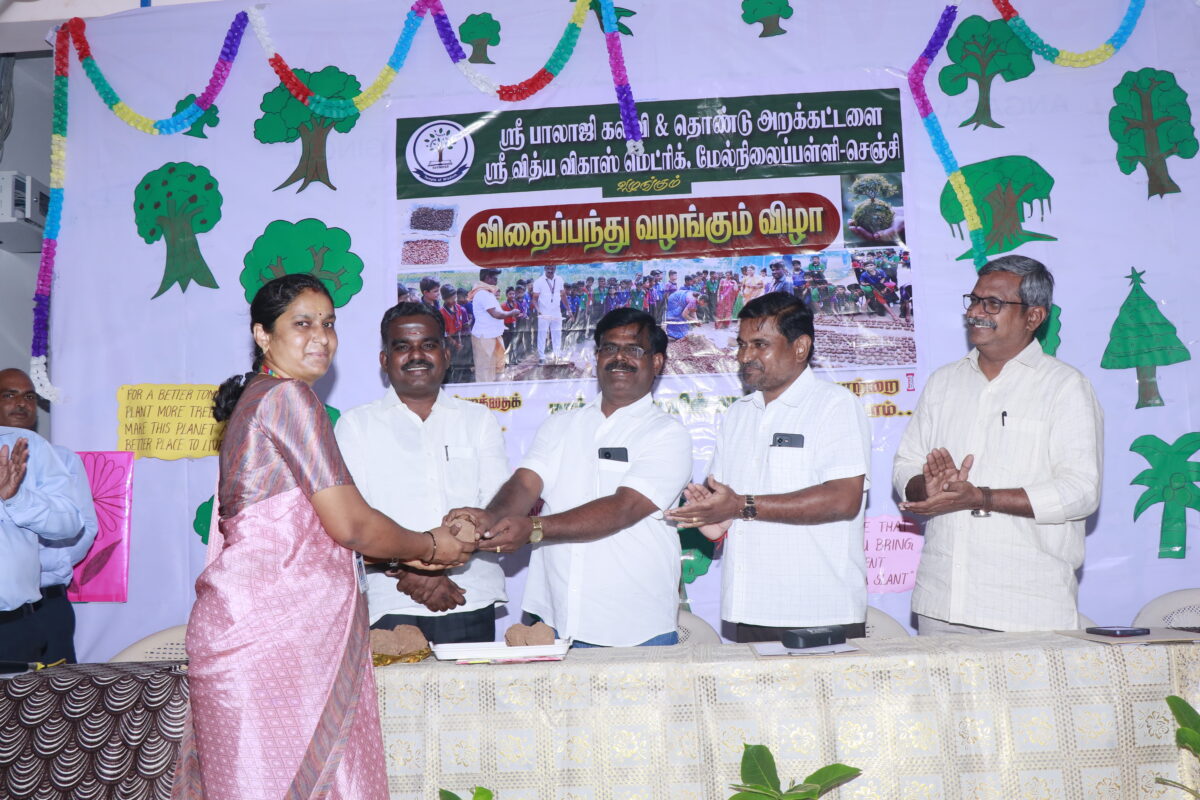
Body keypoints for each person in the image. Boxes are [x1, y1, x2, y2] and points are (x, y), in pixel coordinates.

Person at [175, 274, 475, 800]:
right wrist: (430, 546)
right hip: (274, 641)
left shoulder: (259, 397)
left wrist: (403, 557)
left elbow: (295, 533)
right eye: (303, 324)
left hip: (258, 633)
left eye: (329, 323)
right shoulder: (289, 398)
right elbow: (350, 525)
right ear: (263, 335)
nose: (321, 337)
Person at [449, 309, 693, 647]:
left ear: (657, 362)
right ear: (597, 357)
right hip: (554, 619)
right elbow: (525, 483)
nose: (619, 358)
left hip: (634, 624)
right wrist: (488, 518)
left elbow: (624, 508)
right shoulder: (560, 425)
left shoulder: (667, 434)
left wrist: (534, 528)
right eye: (609, 348)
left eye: (633, 349)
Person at [893, 255, 1103, 634]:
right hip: (941, 603)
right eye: (974, 300)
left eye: (992, 303)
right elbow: (906, 464)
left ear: (1033, 317)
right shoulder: (944, 382)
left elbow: (1081, 492)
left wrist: (981, 498)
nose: (975, 312)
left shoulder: (1065, 387)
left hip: (1026, 608)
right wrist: (927, 487)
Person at [666, 293, 870, 642]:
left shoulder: (835, 405)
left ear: (800, 347)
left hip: (820, 610)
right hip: (748, 609)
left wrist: (741, 505)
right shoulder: (738, 415)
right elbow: (725, 516)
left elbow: (843, 499)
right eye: (742, 344)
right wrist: (710, 516)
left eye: (760, 345)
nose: (745, 356)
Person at [336, 303, 508, 643]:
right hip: (388, 602)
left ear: (446, 354)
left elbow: (496, 510)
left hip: (469, 595)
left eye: (428, 345)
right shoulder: (355, 425)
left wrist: (433, 566)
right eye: (403, 346)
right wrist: (413, 569)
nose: (416, 355)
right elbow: (352, 521)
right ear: (385, 360)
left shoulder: (479, 421)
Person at [0, 368, 98, 663]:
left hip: (36, 604)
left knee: (52, 688)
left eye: (29, 396)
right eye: (10, 395)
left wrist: (31, 567)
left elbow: (80, 527)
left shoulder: (54, 455)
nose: (21, 403)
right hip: (20, 602)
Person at [469, 268, 519, 383]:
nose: (497, 280)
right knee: (485, 370)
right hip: (484, 337)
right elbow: (496, 314)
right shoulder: (482, 294)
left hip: (492, 336)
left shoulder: (487, 292)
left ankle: (494, 389)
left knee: (497, 367)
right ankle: (485, 392)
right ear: (487, 277)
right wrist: (511, 313)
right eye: (495, 277)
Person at [439, 284, 473, 383]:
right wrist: (455, 343)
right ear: (444, 299)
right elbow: (444, 332)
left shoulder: (460, 309)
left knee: (464, 364)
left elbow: (465, 327)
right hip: (449, 342)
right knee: (450, 365)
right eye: (450, 299)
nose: (454, 301)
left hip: (461, 340)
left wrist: (463, 342)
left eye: (455, 298)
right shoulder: (441, 312)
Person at [532, 265, 565, 363]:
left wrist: (569, 310)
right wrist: (538, 310)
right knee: (542, 334)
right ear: (545, 268)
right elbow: (534, 299)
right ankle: (541, 357)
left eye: (552, 268)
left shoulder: (559, 279)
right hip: (544, 312)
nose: (550, 271)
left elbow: (563, 295)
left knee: (557, 333)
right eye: (548, 268)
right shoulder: (538, 281)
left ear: (555, 268)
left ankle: (557, 355)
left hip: (556, 312)